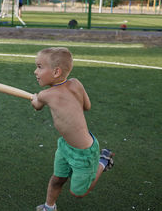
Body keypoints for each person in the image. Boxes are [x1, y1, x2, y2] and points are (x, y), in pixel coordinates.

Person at [31, 47, 114, 211]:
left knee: (78, 193)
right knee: (57, 178)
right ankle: (49, 207)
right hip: (65, 146)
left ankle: (103, 161)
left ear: (56, 72)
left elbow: (36, 106)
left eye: (40, 67)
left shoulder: (45, 95)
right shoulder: (76, 83)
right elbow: (87, 106)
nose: (35, 71)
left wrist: (35, 98)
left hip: (84, 152)